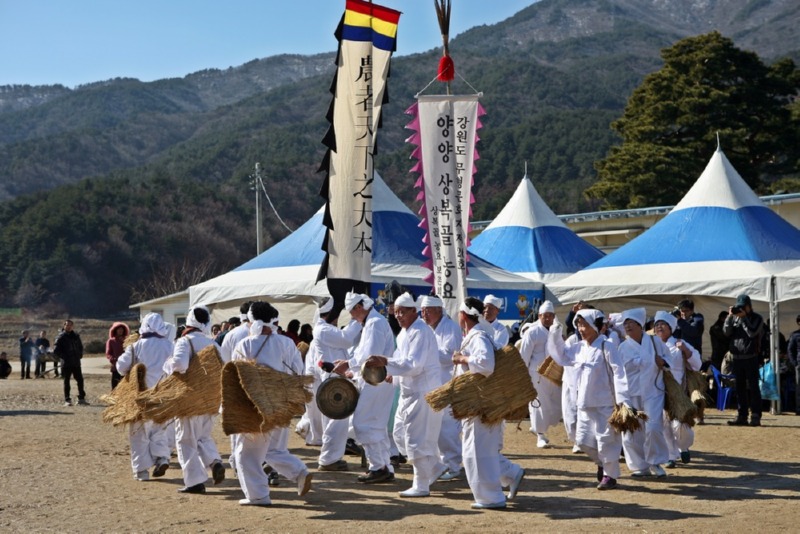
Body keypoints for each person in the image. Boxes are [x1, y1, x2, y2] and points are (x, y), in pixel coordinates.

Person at [231, 301, 313, 506]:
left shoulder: (245, 345)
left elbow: (236, 378)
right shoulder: (286, 343)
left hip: (256, 408)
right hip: (282, 405)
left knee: (245, 453)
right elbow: (298, 372)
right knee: (274, 450)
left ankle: (258, 495)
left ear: (251, 320)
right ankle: (299, 472)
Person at [364, 292, 445, 498]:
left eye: (402, 312)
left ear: (413, 312)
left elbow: (414, 365)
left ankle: (421, 484)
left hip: (423, 392)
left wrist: (386, 362)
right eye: (396, 312)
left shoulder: (421, 332)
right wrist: (390, 373)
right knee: (400, 434)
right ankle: (434, 468)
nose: (398, 316)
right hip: (408, 392)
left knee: (418, 439)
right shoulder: (403, 334)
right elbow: (401, 362)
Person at [453, 297, 525, 509]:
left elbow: (486, 364)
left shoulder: (479, 337)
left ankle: (491, 497)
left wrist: (462, 360)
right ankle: (499, 487)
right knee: (478, 451)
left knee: (477, 452)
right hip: (476, 404)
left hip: (480, 403)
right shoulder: (475, 336)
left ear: (463, 315)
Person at [547, 308, 631, 491]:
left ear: (595, 326)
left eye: (584, 325)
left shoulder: (606, 346)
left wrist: (622, 400)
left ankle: (610, 475)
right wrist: (555, 331)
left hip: (605, 403)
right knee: (583, 441)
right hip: (584, 402)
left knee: (606, 439)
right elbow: (560, 355)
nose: (581, 329)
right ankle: (603, 463)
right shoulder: (578, 348)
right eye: (579, 324)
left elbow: (619, 373)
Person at [332, 292, 396, 484]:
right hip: (376, 380)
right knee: (376, 425)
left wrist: (348, 364)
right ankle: (384, 466)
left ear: (359, 308)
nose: (352, 316)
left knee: (363, 423)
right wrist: (351, 368)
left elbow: (370, 355)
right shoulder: (372, 322)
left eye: (352, 312)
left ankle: (378, 467)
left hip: (375, 381)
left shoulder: (374, 323)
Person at [163, 305, 225, 494]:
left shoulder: (184, 341)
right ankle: (214, 462)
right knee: (203, 436)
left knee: (185, 440)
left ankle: (194, 482)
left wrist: (168, 365)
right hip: (209, 398)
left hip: (189, 399)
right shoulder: (212, 343)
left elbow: (180, 365)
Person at [116, 313, 173, 481]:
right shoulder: (170, 345)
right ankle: (162, 458)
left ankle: (141, 470)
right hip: (163, 395)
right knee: (159, 429)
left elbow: (120, 366)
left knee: (138, 432)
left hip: (140, 395)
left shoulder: (136, 346)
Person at [617, 308, 670, 478]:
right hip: (631, 393)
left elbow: (669, 359)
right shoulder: (623, 347)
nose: (627, 326)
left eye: (630, 323)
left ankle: (655, 462)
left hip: (653, 391)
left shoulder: (655, 342)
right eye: (625, 324)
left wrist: (662, 361)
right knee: (632, 431)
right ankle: (640, 465)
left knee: (653, 428)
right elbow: (618, 373)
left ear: (640, 325)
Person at [309, 298, 361, 472]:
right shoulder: (323, 329)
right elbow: (346, 339)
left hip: (335, 378)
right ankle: (328, 459)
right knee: (335, 421)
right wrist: (358, 320)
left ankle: (331, 457)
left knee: (336, 420)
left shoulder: (326, 329)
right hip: (333, 380)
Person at [419, 294, 464, 481]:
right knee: (433, 427)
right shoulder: (425, 328)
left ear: (439, 310)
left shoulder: (451, 327)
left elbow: (450, 356)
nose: (424, 315)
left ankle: (453, 465)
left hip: (447, 382)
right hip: (430, 384)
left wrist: (426, 353)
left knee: (447, 427)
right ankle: (441, 464)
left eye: (427, 311)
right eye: (422, 311)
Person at [653, 311, 701, 467]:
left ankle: (684, 446)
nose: (659, 327)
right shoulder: (651, 345)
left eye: (663, 324)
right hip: (658, 391)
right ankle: (670, 456)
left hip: (678, 392)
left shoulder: (679, 343)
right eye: (656, 325)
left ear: (670, 328)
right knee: (664, 425)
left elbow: (697, 364)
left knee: (680, 425)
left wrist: (686, 351)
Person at [518, 300, 562, 449]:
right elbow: (524, 355)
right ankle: (540, 435)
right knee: (539, 404)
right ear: (539, 316)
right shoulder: (533, 332)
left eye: (551, 316)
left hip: (554, 374)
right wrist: (523, 376)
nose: (548, 318)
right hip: (536, 374)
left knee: (556, 405)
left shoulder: (557, 330)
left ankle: (537, 427)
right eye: (545, 316)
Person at [723, 294, 765, 427]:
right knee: (739, 388)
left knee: (753, 388)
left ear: (748, 306)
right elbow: (726, 333)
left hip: (751, 357)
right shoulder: (734, 318)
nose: (740, 310)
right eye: (738, 307)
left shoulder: (757, 318)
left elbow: (752, 333)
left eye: (743, 307)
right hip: (737, 358)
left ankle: (755, 415)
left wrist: (744, 318)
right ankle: (742, 415)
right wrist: (730, 317)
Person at [54, 320, 87, 406]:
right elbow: (56, 351)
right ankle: (67, 399)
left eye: (70, 325)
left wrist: (80, 355)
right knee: (66, 381)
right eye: (67, 325)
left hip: (76, 362)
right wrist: (64, 357)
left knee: (80, 380)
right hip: (66, 363)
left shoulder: (76, 336)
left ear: (73, 326)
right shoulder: (61, 337)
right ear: (64, 326)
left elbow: (80, 347)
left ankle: (81, 398)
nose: (68, 327)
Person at [106, 322, 130, 390]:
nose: (120, 331)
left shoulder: (127, 340)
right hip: (115, 366)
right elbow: (108, 353)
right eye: (119, 329)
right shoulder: (111, 341)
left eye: (122, 329)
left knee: (125, 385)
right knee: (115, 385)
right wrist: (113, 360)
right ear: (115, 330)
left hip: (126, 366)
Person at [785, 314, 800, 416]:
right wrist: (795, 363)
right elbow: (790, 350)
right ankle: (799, 409)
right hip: (799, 364)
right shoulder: (795, 335)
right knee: (799, 388)